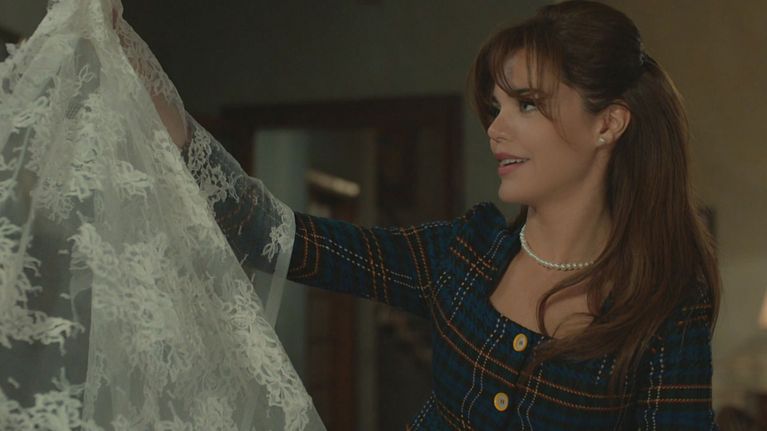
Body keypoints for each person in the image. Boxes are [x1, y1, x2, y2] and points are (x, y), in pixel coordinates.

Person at [165, 1, 721, 429]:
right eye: (496, 107)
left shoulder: (666, 304)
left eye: (527, 104)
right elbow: (275, 235)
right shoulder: (464, 253)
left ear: (608, 123)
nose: (495, 128)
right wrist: (157, 109)